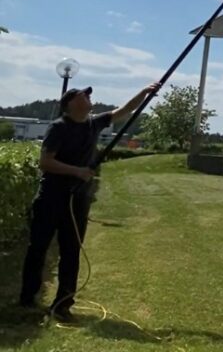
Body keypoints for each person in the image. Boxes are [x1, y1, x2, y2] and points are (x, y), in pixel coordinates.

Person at [19, 81, 160, 321]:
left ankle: (63, 303)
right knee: (38, 247)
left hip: (77, 199)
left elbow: (122, 112)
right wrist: (77, 171)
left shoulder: (94, 124)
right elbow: (46, 162)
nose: (87, 97)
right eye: (82, 94)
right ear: (70, 104)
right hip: (51, 196)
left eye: (87, 94)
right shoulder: (59, 128)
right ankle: (27, 298)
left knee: (72, 250)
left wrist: (145, 92)